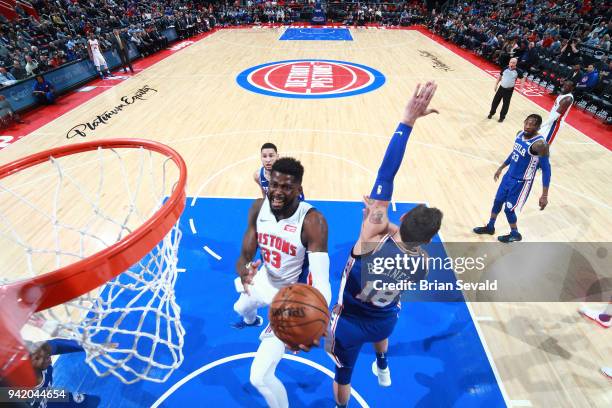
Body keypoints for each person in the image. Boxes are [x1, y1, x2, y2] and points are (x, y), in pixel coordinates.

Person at [326, 81, 442, 408]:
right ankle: (382, 365)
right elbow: (404, 242)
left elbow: (386, 172)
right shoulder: (423, 262)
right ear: (429, 240)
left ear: (402, 219)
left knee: (342, 377)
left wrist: (407, 121)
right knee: (382, 326)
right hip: (385, 318)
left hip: (348, 321)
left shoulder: (373, 233)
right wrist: (386, 223)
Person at [233, 157, 332, 408]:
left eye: (286, 187)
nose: (277, 191)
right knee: (239, 309)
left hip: (290, 299)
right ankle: (252, 319)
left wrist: (306, 321)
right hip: (264, 279)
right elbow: (245, 255)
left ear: (298, 189)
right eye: (274, 185)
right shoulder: (258, 208)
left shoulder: (312, 221)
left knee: (259, 377)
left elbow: (322, 282)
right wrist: (245, 271)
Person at [473, 114, 551, 242]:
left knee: (509, 209)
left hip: (522, 182)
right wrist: (501, 167)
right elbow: (514, 152)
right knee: (497, 202)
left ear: (538, 127)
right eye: (526, 123)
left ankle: (515, 233)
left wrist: (544, 195)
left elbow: (547, 170)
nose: (528, 126)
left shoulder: (540, 145)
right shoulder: (519, 134)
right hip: (508, 176)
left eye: (532, 124)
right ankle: (490, 227)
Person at [28, 338, 101, 407]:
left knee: (89, 402)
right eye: (37, 358)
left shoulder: (41, 354)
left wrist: (85, 346)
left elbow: (56, 345)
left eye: (47, 356)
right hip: (40, 400)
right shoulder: (20, 395)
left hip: (49, 398)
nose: (49, 360)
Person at [488, 57, 526, 122]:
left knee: (505, 104)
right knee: (495, 102)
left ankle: (502, 117)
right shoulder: (505, 68)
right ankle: (491, 113)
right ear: (509, 62)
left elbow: (522, 79)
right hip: (501, 88)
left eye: (513, 63)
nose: (512, 64)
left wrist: (521, 88)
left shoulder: (518, 71)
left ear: (516, 64)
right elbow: (500, 76)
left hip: (509, 90)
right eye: (511, 62)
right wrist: (496, 84)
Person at [539, 80, 574, 145]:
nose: (564, 87)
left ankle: (544, 155)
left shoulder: (567, 99)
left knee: (545, 144)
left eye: (567, 86)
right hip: (551, 121)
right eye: (564, 85)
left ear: (571, 88)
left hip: (555, 123)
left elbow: (556, 115)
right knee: (539, 140)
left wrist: (542, 124)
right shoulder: (563, 93)